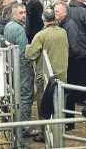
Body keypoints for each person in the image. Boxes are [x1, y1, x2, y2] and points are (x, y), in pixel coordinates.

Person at [26, 8, 69, 143]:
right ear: (54, 19)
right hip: (61, 74)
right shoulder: (63, 32)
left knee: (44, 105)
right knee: (59, 104)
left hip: (45, 77)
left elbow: (30, 54)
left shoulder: (41, 35)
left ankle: (45, 134)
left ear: (44, 20)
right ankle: (59, 132)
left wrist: (27, 47)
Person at [4, 3, 39, 138]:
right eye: (20, 13)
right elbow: (24, 52)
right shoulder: (19, 29)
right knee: (25, 96)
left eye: (24, 12)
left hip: (12, 64)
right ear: (14, 14)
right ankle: (25, 128)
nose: (23, 15)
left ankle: (16, 123)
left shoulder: (9, 26)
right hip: (22, 66)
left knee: (15, 95)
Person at [54, 1, 84, 131]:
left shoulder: (70, 26)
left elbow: (74, 48)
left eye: (57, 12)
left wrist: (63, 54)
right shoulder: (63, 23)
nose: (55, 14)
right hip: (68, 61)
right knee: (67, 92)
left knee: (69, 93)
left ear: (64, 13)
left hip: (72, 62)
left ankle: (69, 121)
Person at [68, 0, 86, 106]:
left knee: (73, 73)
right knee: (83, 75)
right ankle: (82, 97)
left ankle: (72, 96)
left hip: (71, 48)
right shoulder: (83, 11)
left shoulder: (67, 10)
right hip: (83, 48)